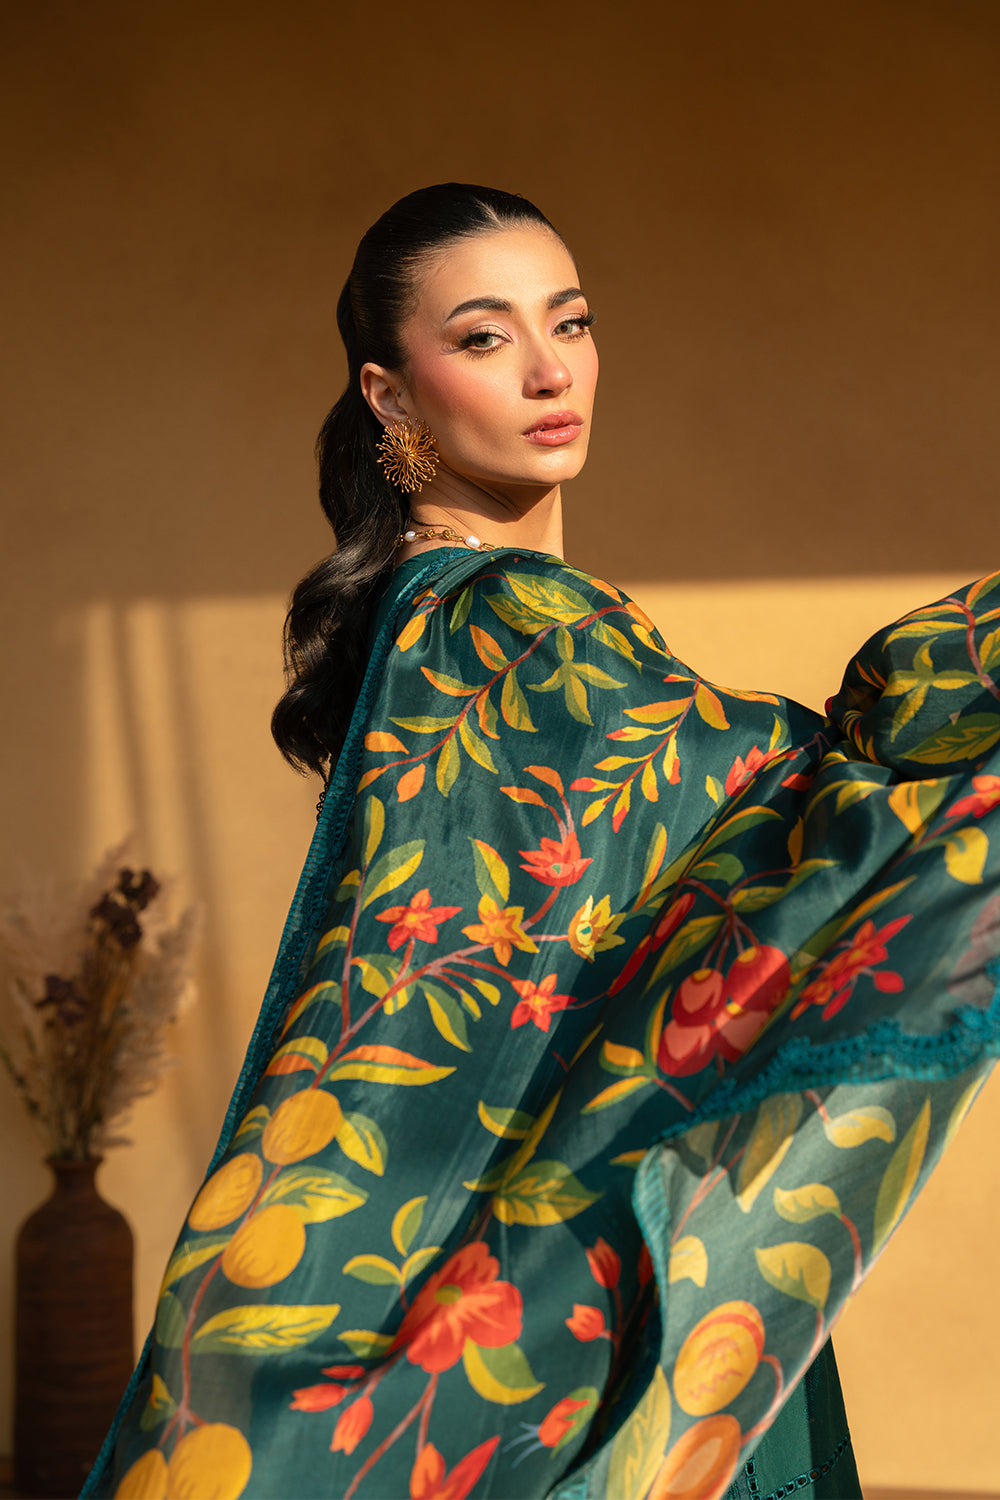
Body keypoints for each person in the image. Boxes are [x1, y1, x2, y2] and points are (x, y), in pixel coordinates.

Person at [87, 184, 1000, 1500]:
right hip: (569, 1258)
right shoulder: (499, 626)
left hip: (552, 1227)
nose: (549, 369)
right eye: (483, 337)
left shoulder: (454, 620)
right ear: (389, 395)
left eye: (568, 322)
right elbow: (796, 794)